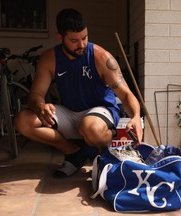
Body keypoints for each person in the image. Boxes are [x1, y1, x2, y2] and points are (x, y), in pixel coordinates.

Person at [14, 8, 143, 178]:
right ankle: (74, 153)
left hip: (100, 110)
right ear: (60, 37)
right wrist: (40, 106)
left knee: (91, 127)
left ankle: (106, 155)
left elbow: (125, 94)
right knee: (23, 121)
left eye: (85, 37)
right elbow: (36, 93)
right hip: (71, 112)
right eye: (74, 40)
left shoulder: (102, 57)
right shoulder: (50, 58)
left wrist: (135, 116)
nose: (81, 44)